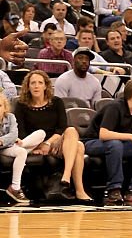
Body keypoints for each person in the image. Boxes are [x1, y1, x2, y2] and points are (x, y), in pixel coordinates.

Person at [14, 69, 92, 202]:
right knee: (78, 147)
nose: (36, 86)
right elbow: (21, 132)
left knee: (71, 131)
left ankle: (66, 176)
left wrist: (48, 143)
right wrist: (38, 145)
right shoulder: (21, 105)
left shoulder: (56, 102)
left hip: (53, 143)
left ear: (46, 86)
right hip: (32, 144)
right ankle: (79, 190)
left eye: (40, 83)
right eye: (33, 83)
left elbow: (61, 128)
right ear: (28, 86)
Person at [83, 78, 132, 205]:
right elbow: (104, 134)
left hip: (118, 144)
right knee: (115, 144)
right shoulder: (114, 107)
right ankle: (114, 189)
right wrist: (131, 137)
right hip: (92, 142)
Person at [0, 90, 45, 202]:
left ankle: (22, 145)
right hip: (2, 149)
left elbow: (14, 134)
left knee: (41, 133)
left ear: (5, 107)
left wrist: (6, 140)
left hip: (11, 145)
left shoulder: (10, 117)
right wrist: (9, 140)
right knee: (22, 152)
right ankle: (15, 188)